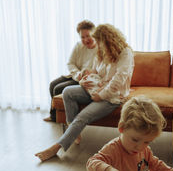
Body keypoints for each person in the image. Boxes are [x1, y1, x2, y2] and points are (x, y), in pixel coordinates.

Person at [35, 24, 134, 161]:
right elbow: (94, 71)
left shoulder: (125, 53)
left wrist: (101, 95)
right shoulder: (102, 51)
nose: (97, 45)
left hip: (111, 97)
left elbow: (118, 80)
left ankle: (56, 148)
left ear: (108, 40)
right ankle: (74, 131)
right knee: (67, 91)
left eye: (99, 42)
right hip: (95, 88)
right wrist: (83, 80)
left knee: (82, 117)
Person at [44, 20, 97, 122]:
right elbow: (70, 63)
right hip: (76, 75)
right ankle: (54, 116)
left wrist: (85, 74)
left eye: (88, 36)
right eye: (82, 37)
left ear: (94, 33)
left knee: (58, 89)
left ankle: (65, 119)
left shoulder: (100, 48)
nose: (86, 39)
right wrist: (77, 74)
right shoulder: (78, 46)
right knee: (52, 84)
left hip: (87, 78)